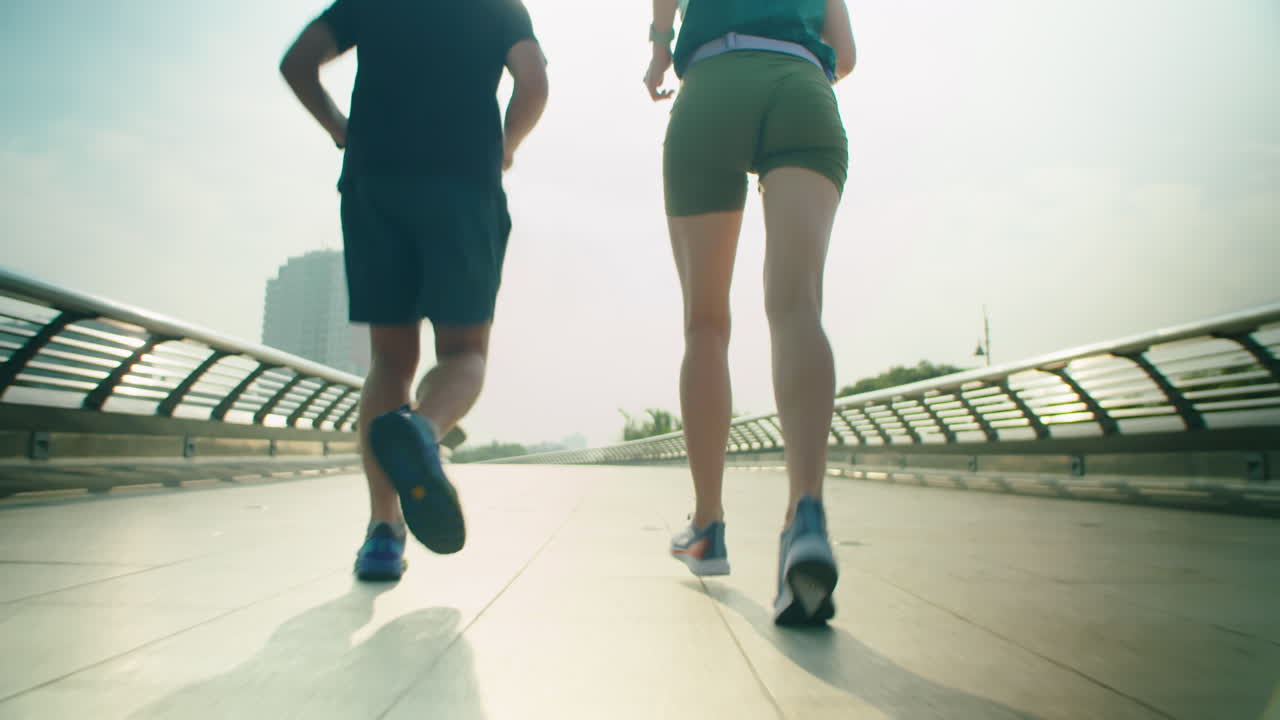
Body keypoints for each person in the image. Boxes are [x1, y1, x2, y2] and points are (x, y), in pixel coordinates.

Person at [280, 0, 548, 581]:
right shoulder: (500, 6)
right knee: (464, 353)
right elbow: (534, 82)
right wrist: (505, 146)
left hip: (376, 182)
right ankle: (422, 433)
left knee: (389, 359)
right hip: (464, 184)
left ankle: (383, 533)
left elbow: (298, 61)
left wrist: (339, 128)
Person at [644, 0, 855, 625]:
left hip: (714, 83)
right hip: (802, 88)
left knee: (705, 324)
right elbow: (844, 52)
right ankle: (807, 517)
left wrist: (660, 45)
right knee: (798, 308)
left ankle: (707, 524)